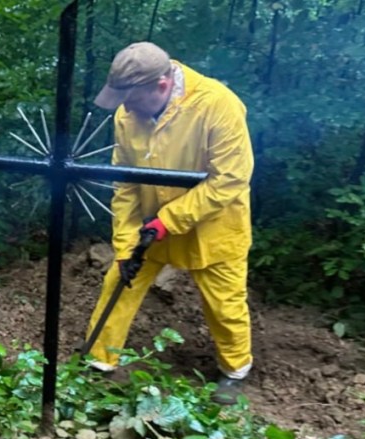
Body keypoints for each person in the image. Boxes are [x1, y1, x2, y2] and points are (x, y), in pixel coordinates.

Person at [84, 42, 254, 405]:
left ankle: (235, 370)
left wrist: (168, 220)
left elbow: (230, 179)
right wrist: (124, 245)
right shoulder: (127, 115)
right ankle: (98, 360)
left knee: (225, 304)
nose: (126, 107)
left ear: (161, 85)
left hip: (214, 225)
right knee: (119, 282)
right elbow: (125, 183)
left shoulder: (218, 105)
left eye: (132, 99)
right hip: (151, 225)